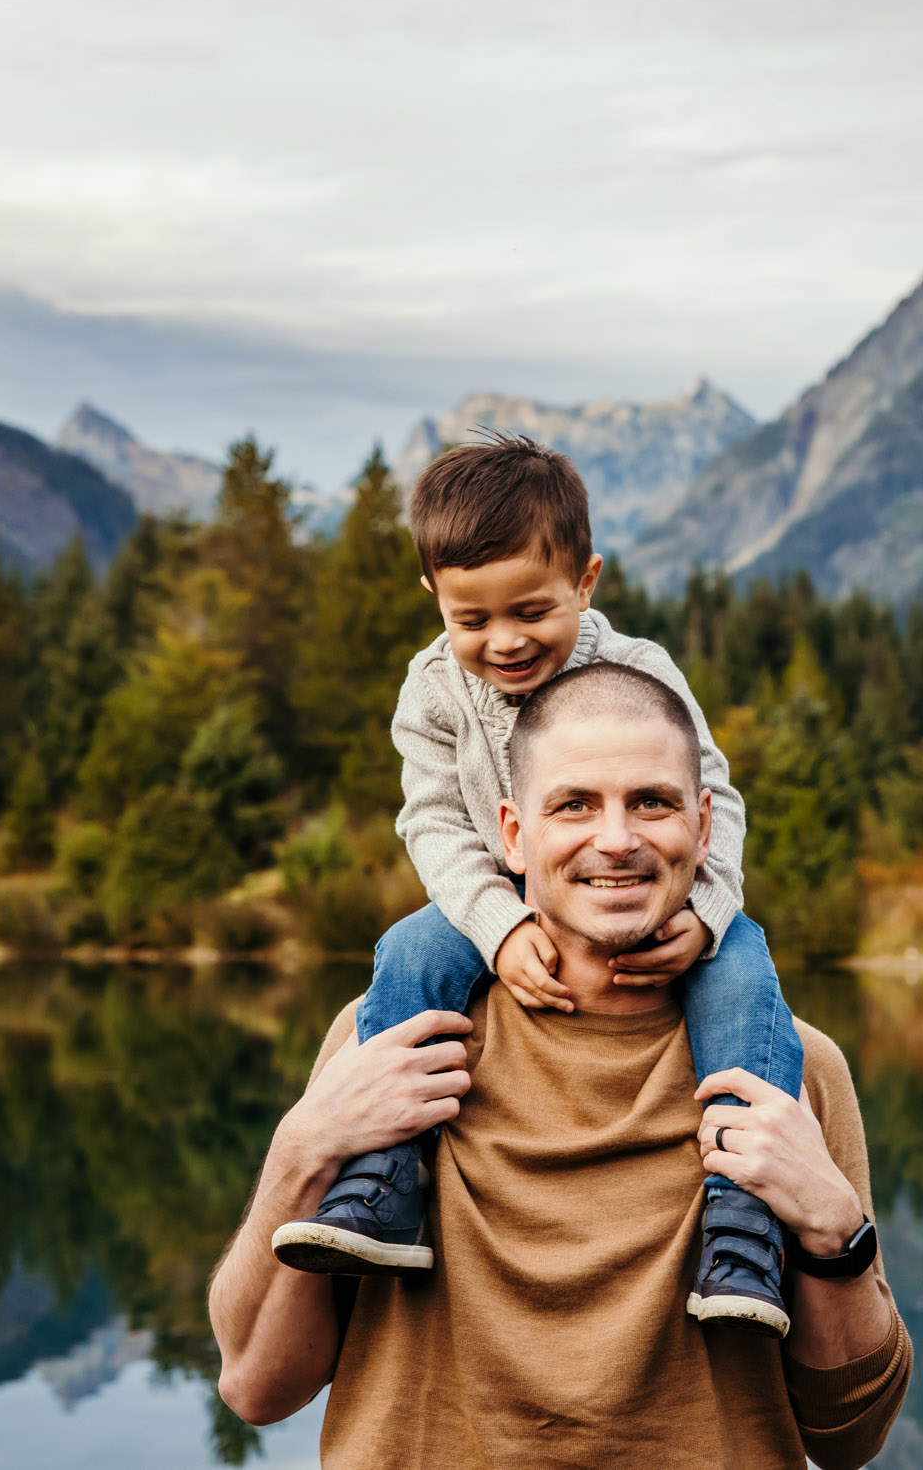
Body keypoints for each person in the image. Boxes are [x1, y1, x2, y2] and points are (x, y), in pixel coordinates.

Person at [210, 663, 910, 1468]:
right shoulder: (396, 1041)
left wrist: (833, 1230)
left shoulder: (792, 1068)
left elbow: (849, 1436)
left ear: (705, 825)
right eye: (574, 804)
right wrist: (303, 1150)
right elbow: (258, 1387)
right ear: (510, 833)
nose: (617, 838)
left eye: (652, 801)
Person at [270, 435, 807, 1334]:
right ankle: (386, 1175)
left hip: (658, 901)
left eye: (531, 611)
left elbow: (716, 798)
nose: (505, 641)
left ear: (585, 582)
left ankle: (743, 1221)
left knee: (747, 982)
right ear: (435, 601)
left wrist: (708, 911)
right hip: (490, 897)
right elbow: (434, 822)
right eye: (471, 620)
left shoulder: (641, 673)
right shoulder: (432, 691)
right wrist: (498, 927)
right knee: (406, 952)